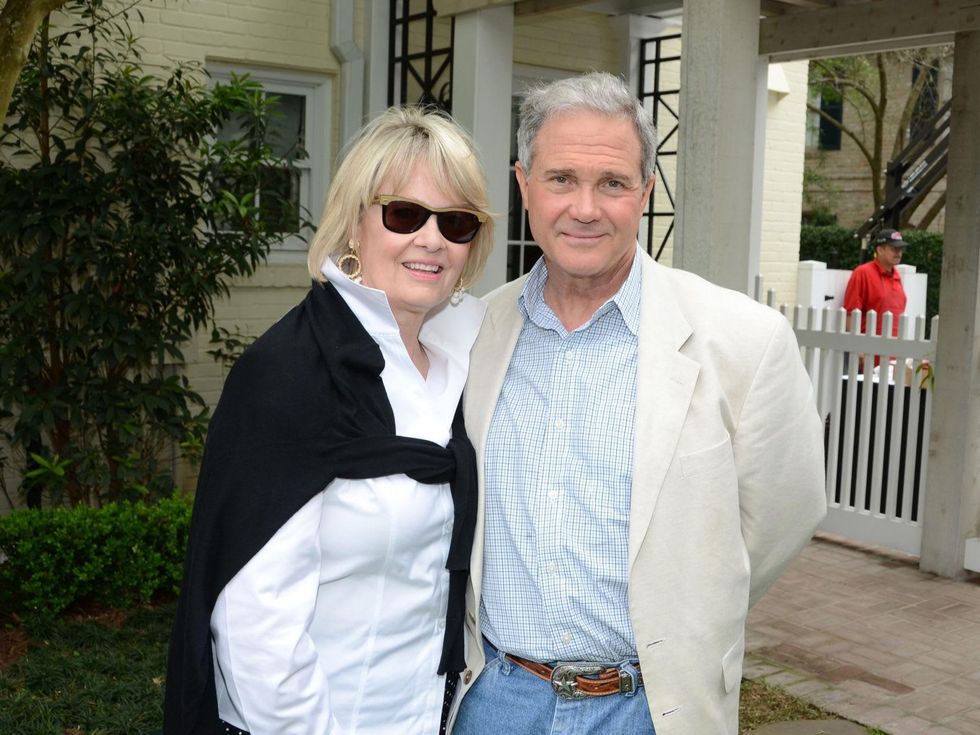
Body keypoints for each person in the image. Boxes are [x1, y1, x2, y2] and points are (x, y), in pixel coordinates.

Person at [451, 72, 826, 734]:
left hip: (649, 710)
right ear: (524, 183)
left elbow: (779, 521)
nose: (585, 207)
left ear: (646, 193)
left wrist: (689, 605)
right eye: (561, 178)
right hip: (496, 702)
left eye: (613, 183)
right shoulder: (471, 334)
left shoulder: (744, 340)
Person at [164, 106, 494, 735]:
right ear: (353, 221)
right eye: (404, 214)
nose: (431, 239)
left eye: (455, 222)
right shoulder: (292, 373)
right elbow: (253, 622)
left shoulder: (463, 362)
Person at [843, 228, 909, 336]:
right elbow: (851, 313)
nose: (899, 253)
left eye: (901, 249)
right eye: (894, 248)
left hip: (895, 350)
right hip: (870, 349)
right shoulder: (863, 273)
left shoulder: (896, 275)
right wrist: (858, 348)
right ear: (880, 250)